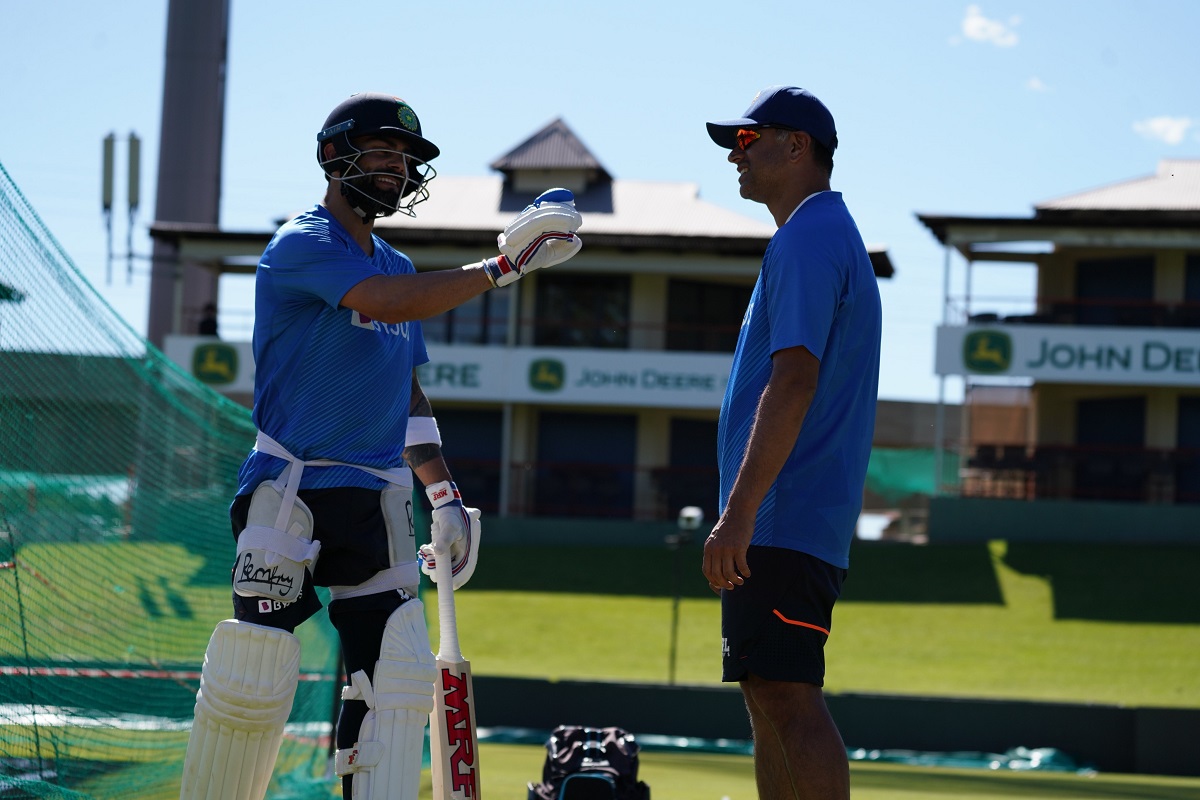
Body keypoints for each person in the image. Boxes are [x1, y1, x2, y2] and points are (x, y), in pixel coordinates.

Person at [178, 92, 583, 800]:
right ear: (335, 156)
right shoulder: (303, 243)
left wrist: (444, 494)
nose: (397, 168)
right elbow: (383, 304)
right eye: (384, 152)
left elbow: (408, 395)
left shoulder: (397, 262)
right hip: (291, 486)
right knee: (255, 676)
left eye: (406, 158)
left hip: (374, 495)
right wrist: (499, 270)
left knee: (392, 680)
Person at [701, 86, 882, 800]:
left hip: (782, 518)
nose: (734, 156)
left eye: (748, 140)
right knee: (767, 693)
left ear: (798, 145)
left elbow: (796, 380)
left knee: (786, 695)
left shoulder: (808, 237)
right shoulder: (818, 234)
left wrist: (740, 513)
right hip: (790, 519)